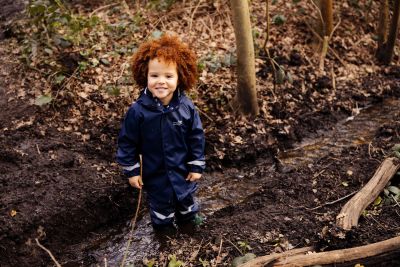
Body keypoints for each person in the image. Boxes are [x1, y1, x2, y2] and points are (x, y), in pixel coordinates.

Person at [116, 34, 205, 237]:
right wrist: (132, 171)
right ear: (144, 76)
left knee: (188, 208)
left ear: (180, 77)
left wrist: (196, 165)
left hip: (184, 174)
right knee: (161, 214)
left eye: (168, 76)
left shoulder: (186, 107)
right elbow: (127, 142)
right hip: (155, 176)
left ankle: (191, 231)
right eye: (154, 76)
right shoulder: (138, 112)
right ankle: (165, 239)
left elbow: (196, 137)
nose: (161, 82)